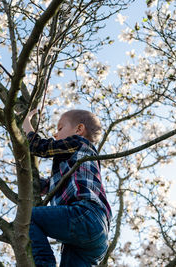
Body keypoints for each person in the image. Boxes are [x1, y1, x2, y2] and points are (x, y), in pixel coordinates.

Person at [22, 109, 112, 267]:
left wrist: (26, 125)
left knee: (28, 217)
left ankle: (44, 264)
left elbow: (39, 146)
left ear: (79, 129)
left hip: (85, 214)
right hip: (96, 234)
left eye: (60, 128)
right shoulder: (76, 160)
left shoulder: (78, 142)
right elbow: (49, 185)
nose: (55, 134)